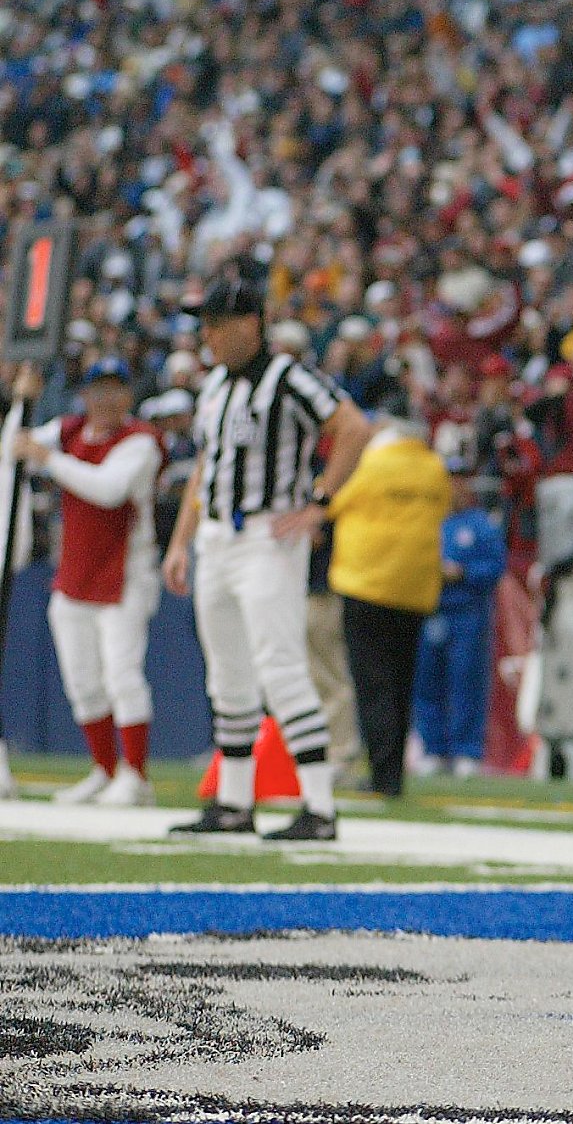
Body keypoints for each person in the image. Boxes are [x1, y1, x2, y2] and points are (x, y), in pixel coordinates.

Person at [162, 264, 374, 840]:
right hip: (218, 537)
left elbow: (353, 428)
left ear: (250, 324)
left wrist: (318, 502)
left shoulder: (288, 376)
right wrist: (181, 540)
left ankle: (320, 807)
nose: (207, 334)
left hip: (267, 536)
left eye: (217, 323)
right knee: (227, 674)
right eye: (204, 324)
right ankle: (234, 802)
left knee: (280, 666)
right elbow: (205, 467)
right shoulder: (214, 386)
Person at [9, 359, 162, 806]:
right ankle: (104, 768)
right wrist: (23, 400)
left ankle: (136, 774)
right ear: (85, 395)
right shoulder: (69, 429)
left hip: (125, 573)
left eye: (116, 390)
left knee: (122, 673)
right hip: (74, 571)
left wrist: (49, 459)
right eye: (99, 390)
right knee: (83, 679)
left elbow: (108, 489)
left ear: (128, 397)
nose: (106, 399)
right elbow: (12, 447)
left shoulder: (140, 442)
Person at [325, 418, 452, 798]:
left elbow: (334, 504)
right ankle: (393, 773)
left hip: (367, 583)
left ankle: (381, 775)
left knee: (372, 685)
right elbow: (443, 510)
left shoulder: (372, 464)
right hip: (415, 588)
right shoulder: (434, 469)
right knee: (401, 684)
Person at [414, 473, 507, 779]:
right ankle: (433, 748)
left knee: (466, 683)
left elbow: (495, 567)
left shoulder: (479, 524)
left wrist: (463, 572)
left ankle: (467, 751)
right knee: (427, 682)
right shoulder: (426, 520)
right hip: (430, 610)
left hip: (468, 613)